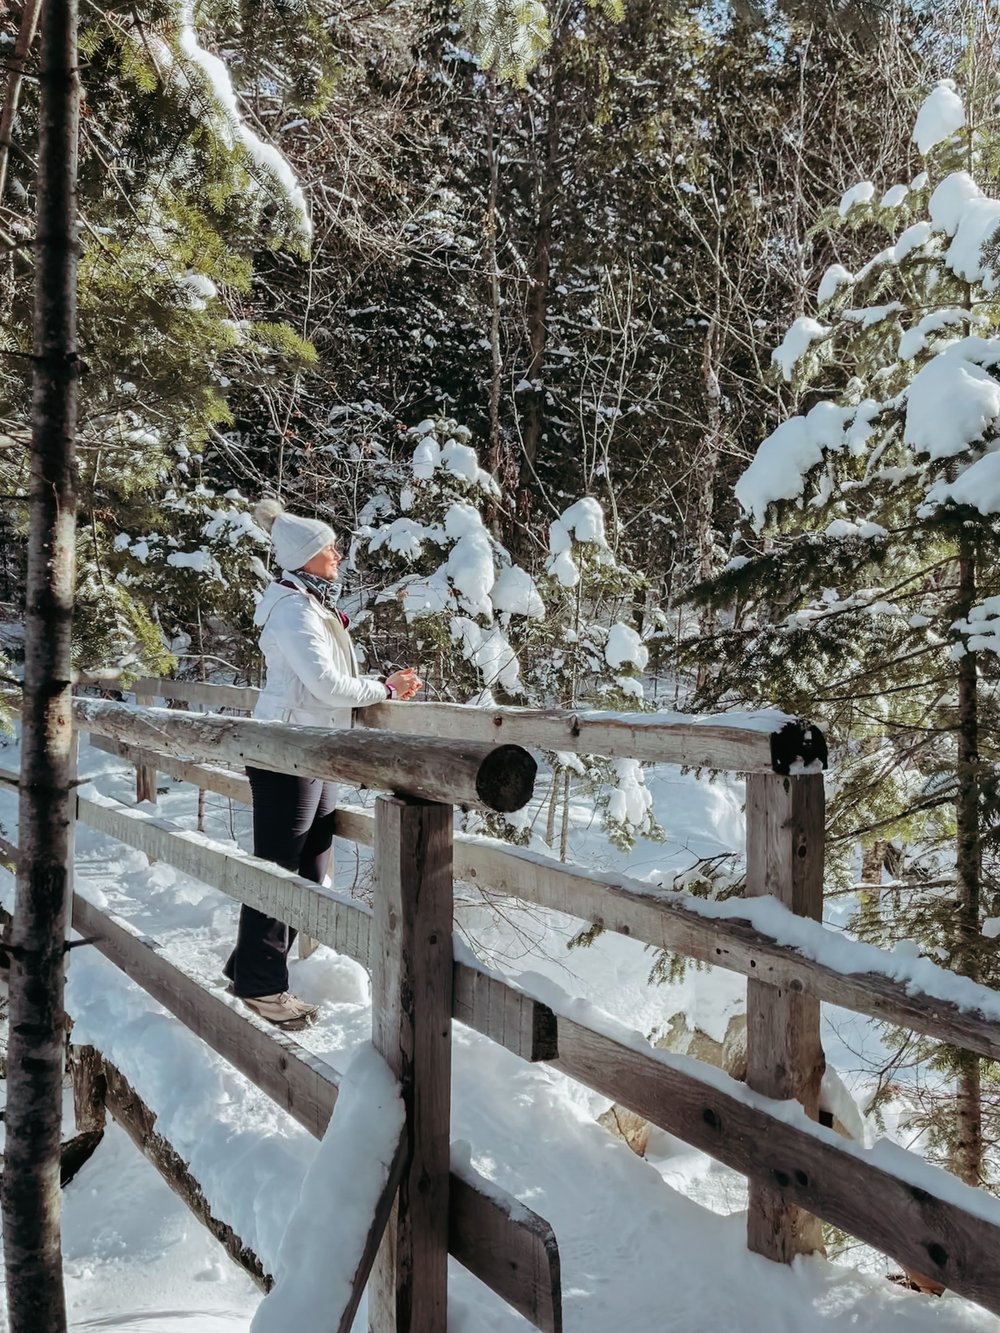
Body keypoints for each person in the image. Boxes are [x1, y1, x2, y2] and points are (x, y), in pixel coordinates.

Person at [224, 498, 420, 1025]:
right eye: (327, 547)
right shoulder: (293, 610)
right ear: (305, 558)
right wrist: (383, 687)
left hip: (312, 748)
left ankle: (249, 965)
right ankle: (263, 987)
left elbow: (324, 682)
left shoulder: (311, 604)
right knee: (280, 867)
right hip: (287, 750)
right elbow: (327, 685)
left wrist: (381, 686)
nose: (337, 552)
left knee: (310, 863)